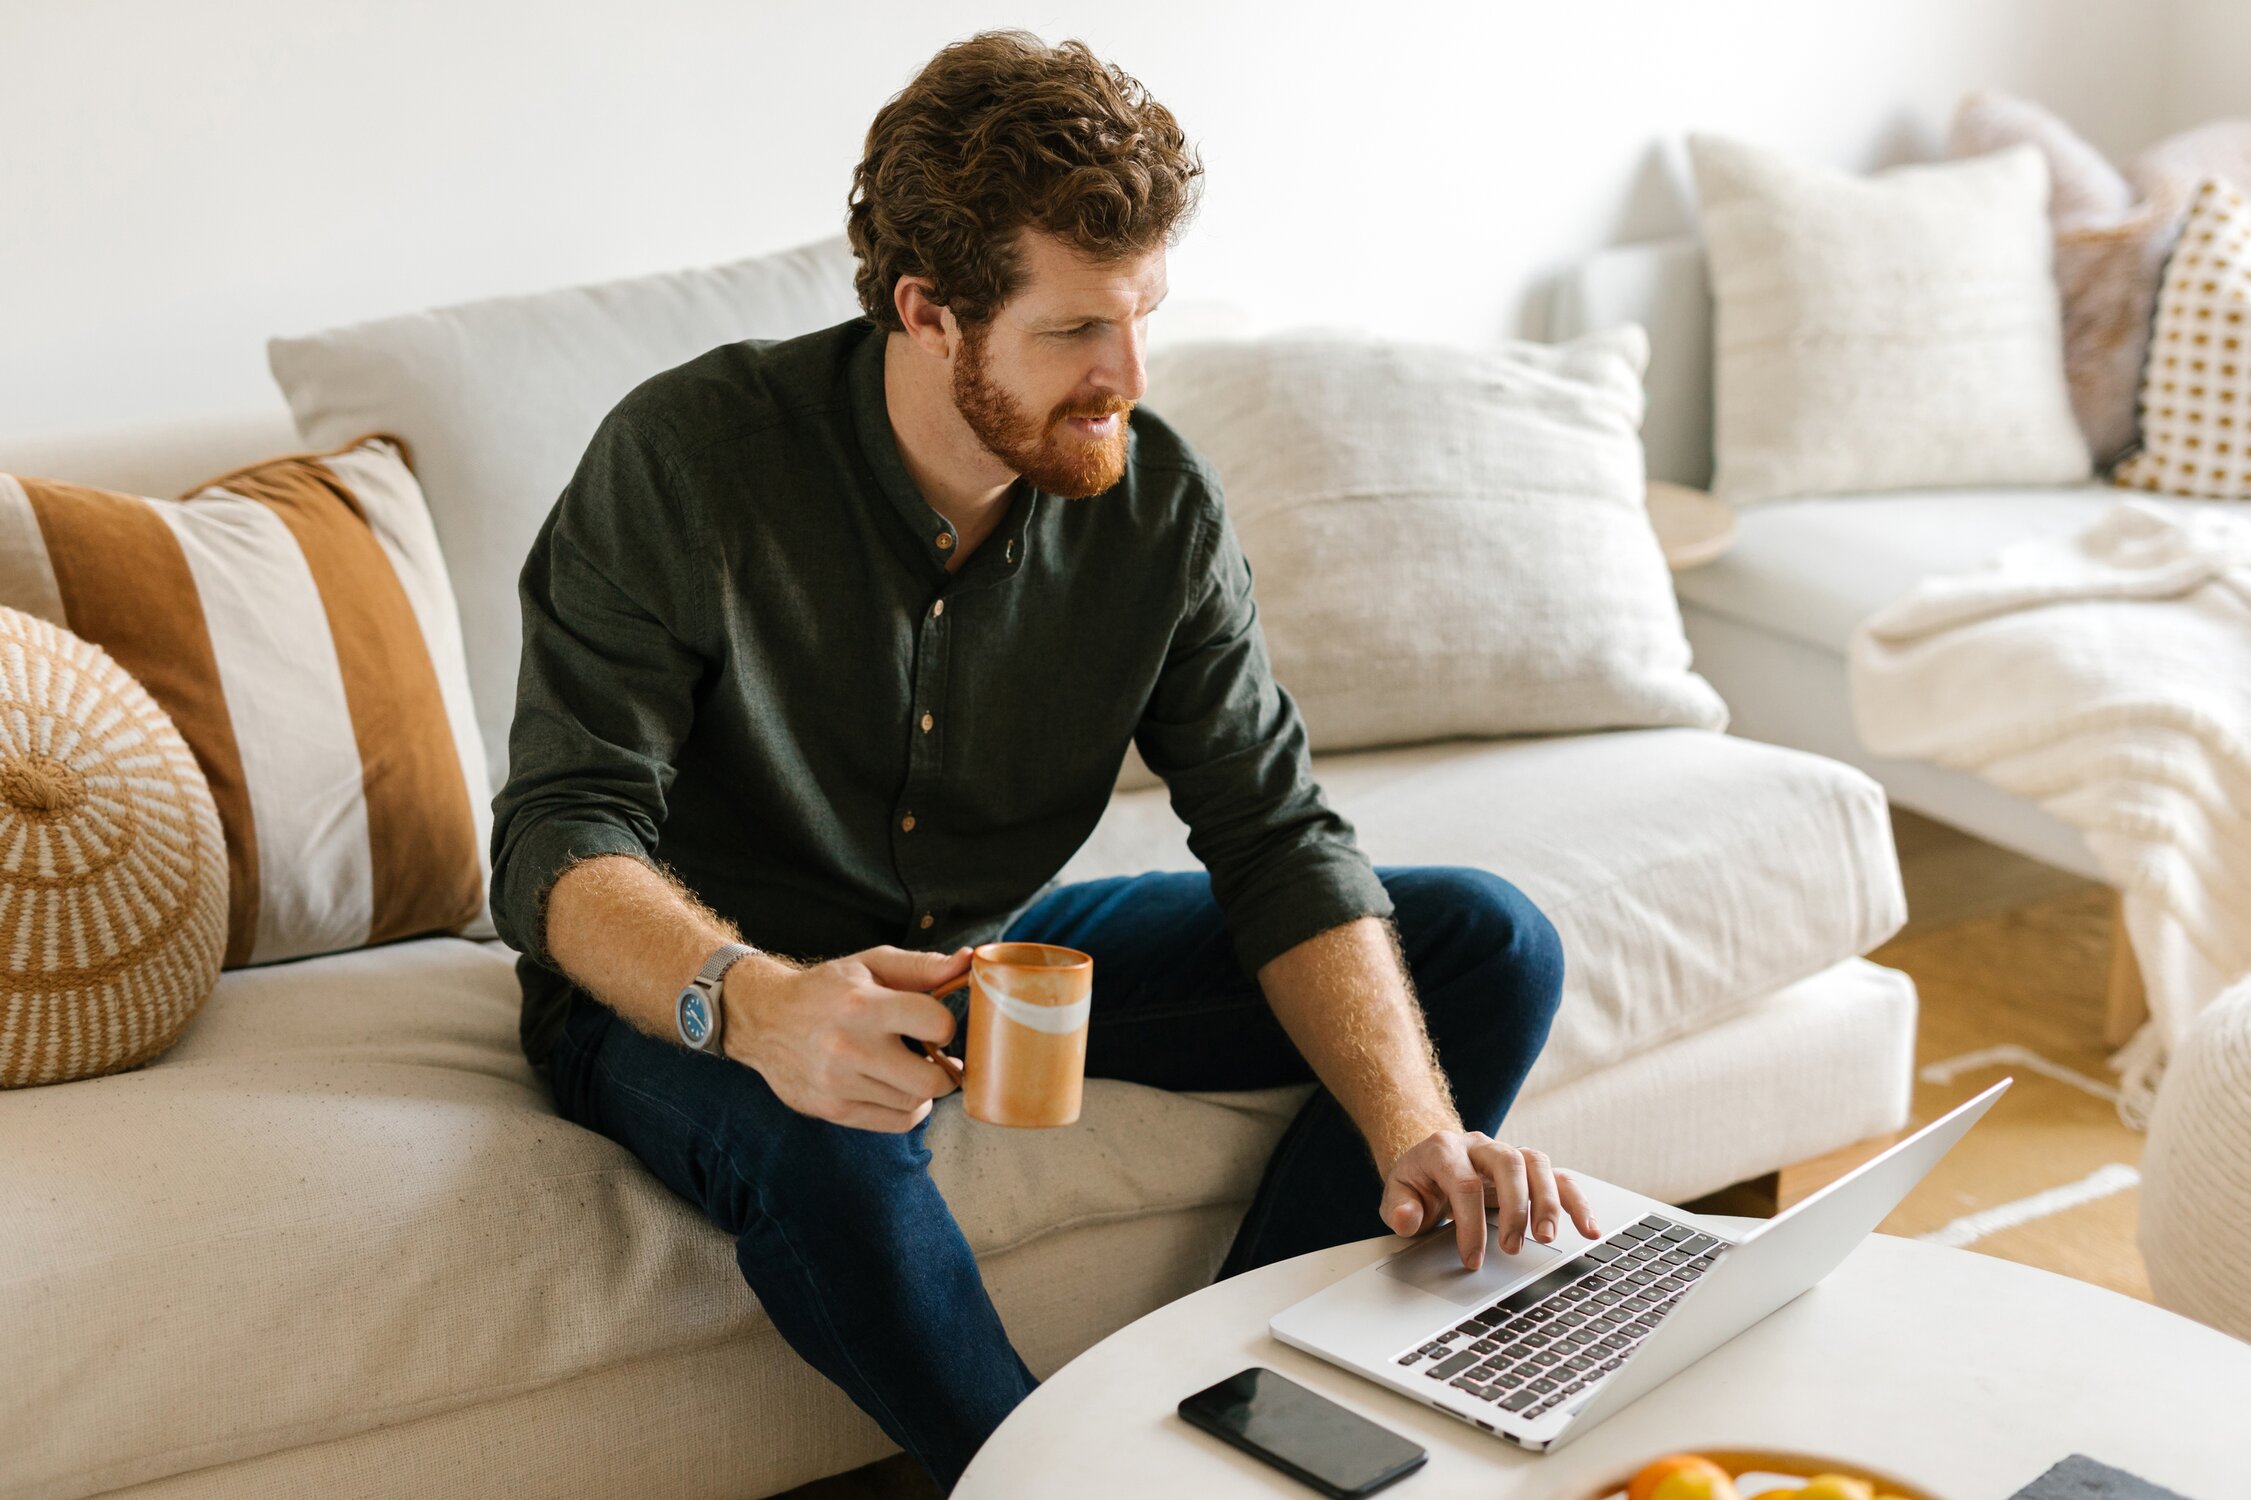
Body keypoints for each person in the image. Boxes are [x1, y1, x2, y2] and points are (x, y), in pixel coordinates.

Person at [488, 29, 1592, 1495]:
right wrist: (758, 1006)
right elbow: (563, 835)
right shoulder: (690, 461)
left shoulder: (1160, 511)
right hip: (690, 995)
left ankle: (1231, 1416)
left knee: (1487, 942)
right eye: (1077, 330)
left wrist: (1420, 1131)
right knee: (821, 1137)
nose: (1126, 376)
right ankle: (1066, 1485)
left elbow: (1275, 837)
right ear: (929, 311)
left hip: (970, 967)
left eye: (1142, 317)